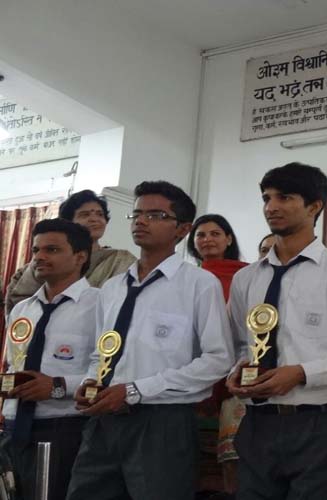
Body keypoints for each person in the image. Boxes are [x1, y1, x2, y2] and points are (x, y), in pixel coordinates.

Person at [66, 181, 235, 500]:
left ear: (182, 229)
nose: (141, 221)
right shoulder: (113, 288)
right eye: (137, 214)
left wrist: (135, 390)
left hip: (162, 421)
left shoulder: (199, 284)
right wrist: (90, 382)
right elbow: (101, 353)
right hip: (104, 419)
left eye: (156, 215)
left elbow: (218, 359)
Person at [226, 162, 327, 500]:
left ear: (314, 206)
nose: (271, 206)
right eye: (266, 198)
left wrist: (301, 373)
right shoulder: (246, 278)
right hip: (257, 419)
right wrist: (237, 371)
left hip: (319, 420)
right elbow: (239, 344)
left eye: (284, 197)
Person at [2, 219, 97, 500]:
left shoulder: (101, 304)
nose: (39, 257)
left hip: (64, 425)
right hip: (13, 425)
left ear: (80, 256)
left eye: (52, 250)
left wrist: (57, 386)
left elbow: (109, 371)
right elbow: (13, 363)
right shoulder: (22, 308)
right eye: (36, 250)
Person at [188, 213, 249, 497]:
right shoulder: (185, 278)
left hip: (234, 374)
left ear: (229, 239)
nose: (207, 239)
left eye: (215, 233)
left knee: (234, 462)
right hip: (192, 375)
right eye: (200, 235)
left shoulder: (246, 275)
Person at [4, 189, 136, 314]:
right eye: (85, 214)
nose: (94, 219)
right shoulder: (39, 263)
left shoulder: (120, 260)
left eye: (100, 214)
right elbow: (20, 300)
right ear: (68, 222)